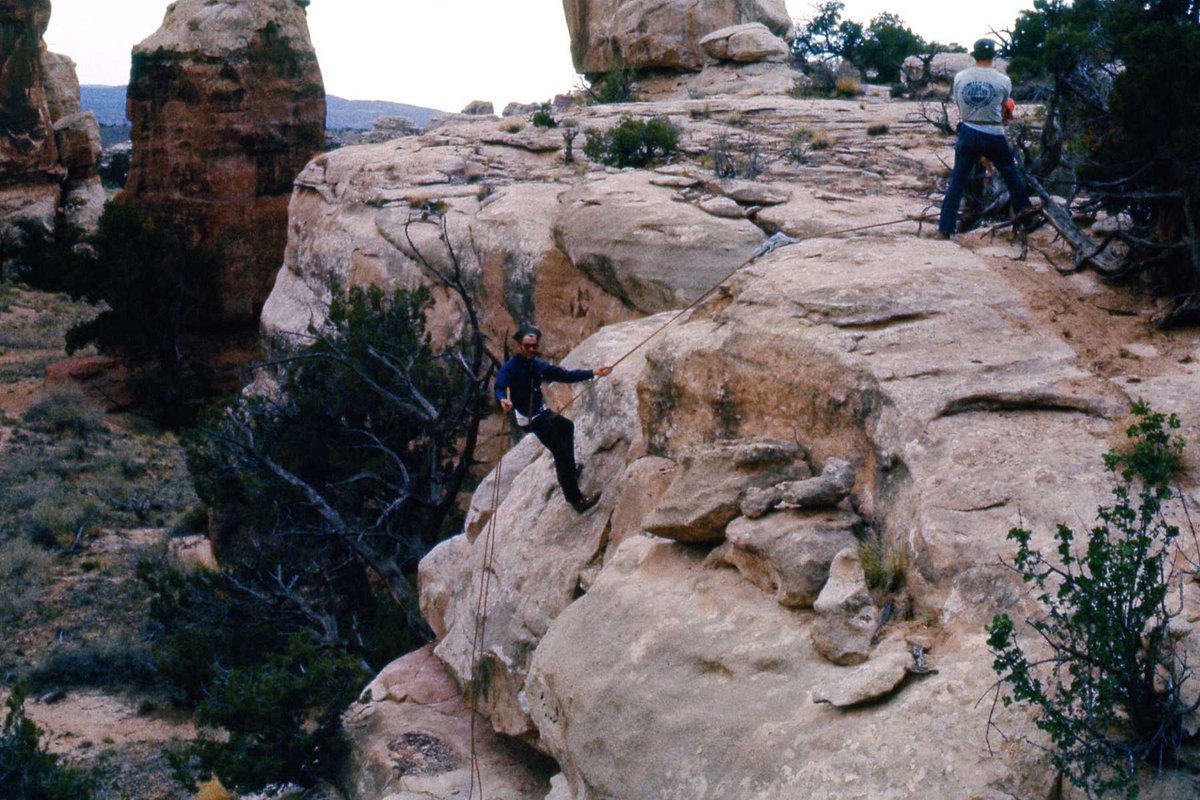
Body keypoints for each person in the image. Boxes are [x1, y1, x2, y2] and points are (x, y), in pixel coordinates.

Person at [495, 325, 613, 512]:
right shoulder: (510, 368)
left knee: (567, 426)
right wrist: (502, 399)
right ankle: (576, 500)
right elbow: (500, 385)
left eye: (534, 346)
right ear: (519, 346)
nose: (532, 350)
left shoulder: (537, 365)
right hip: (531, 418)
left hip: (540, 411)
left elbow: (563, 376)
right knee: (560, 452)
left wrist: (593, 373)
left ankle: (570, 471)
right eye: (528, 346)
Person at [937, 38, 1035, 238]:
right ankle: (1027, 218)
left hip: (968, 131)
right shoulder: (1003, 80)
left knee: (957, 180)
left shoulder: (961, 77)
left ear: (974, 55)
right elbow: (1004, 105)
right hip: (993, 132)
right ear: (993, 56)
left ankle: (945, 229)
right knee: (1011, 174)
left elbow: (958, 103)